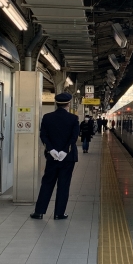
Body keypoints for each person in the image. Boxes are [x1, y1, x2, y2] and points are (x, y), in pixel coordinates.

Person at [30, 92, 80, 220]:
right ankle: (59, 213)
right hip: (68, 158)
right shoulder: (73, 119)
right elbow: (73, 138)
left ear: (56, 103)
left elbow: (43, 135)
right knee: (64, 184)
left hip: (52, 157)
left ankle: (39, 212)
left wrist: (51, 149)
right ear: (68, 104)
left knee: (47, 182)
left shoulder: (47, 117)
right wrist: (64, 151)